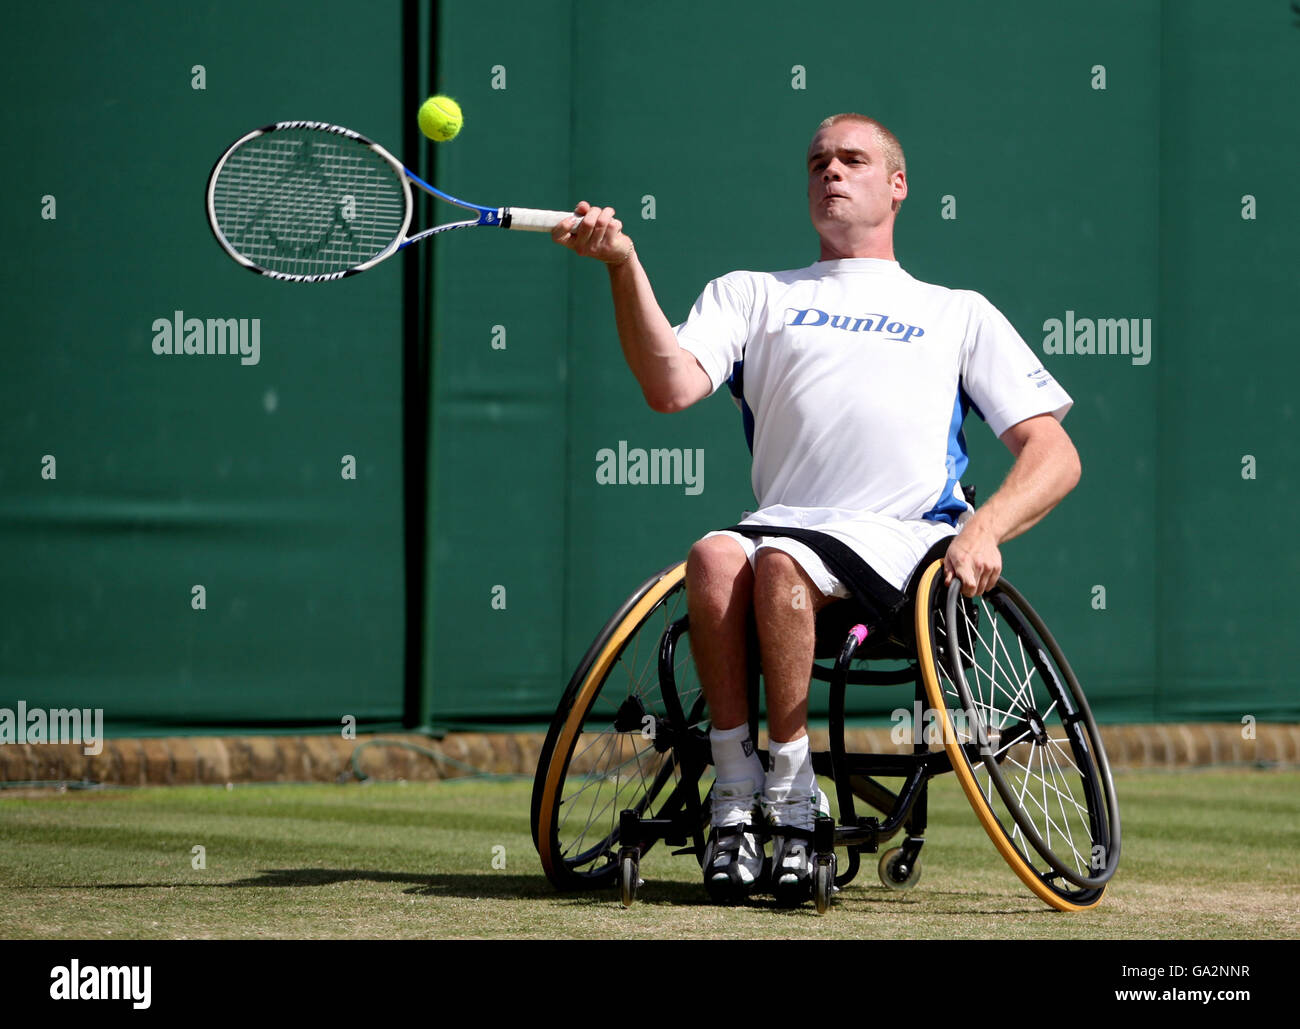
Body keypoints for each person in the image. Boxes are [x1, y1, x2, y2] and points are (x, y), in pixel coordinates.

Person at [550, 113, 1081, 904]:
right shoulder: (753, 294)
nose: (831, 170)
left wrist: (986, 526)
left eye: (853, 159)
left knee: (774, 557)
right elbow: (668, 386)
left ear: (897, 186)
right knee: (713, 553)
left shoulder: (958, 311)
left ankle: (794, 793)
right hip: (784, 541)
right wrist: (623, 264)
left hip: (906, 556)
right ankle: (735, 796)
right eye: (818, 162)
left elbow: (1055, 455)